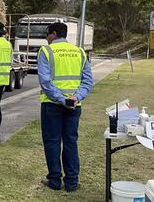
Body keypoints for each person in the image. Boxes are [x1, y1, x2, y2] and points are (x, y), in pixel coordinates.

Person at [38, 22, 94, 192]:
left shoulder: (46, 51)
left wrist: (61, 99)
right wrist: (76, 97)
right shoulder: (79, 52)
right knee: (71, 142)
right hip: (74, 105)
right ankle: (72, 182)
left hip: (52, 105)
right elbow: (88, 81)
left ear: (53, 34)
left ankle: (55, 181)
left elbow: (45, 81)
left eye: (48, 34)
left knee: (52, 142)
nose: (47, 38)